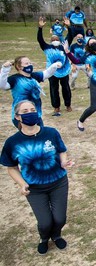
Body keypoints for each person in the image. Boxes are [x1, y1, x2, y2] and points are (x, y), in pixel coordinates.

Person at [0, 100, 73, 255]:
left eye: (33, 109)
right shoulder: (12, 142)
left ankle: (56, 235)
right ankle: (44, 238)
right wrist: (21, 184)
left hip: (58, 182)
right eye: (25, 111)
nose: (30, 113)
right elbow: (11, 168)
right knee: (45, 222)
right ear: (17, 117)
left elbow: (61, 150)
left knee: (60, 219)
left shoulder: (51, 133)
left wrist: (63, 161)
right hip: (34, 188)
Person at [0, 58, 62, 127]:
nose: (29, 65)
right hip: (21, 116)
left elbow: (47, 73)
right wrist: (5, 70)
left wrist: (55, 65)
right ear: (19, 67)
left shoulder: (34, 76)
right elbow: (3, 86)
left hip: (36, 114)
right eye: (26, 64)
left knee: (39, 134)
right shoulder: (14, 79)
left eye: (30, 63)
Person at [38, 17, 72, 116]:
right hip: (52, 72)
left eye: (56, 38)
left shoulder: (63, 47)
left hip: (64, 71)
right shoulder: (47, 48)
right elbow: (40, 40)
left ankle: (68, 105)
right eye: (53, 39)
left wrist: (69, 27)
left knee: (66, 88)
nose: (55, 40)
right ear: (51, 41)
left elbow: (70, 36)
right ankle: (56, 107)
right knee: (54, 89)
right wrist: (40, 28)